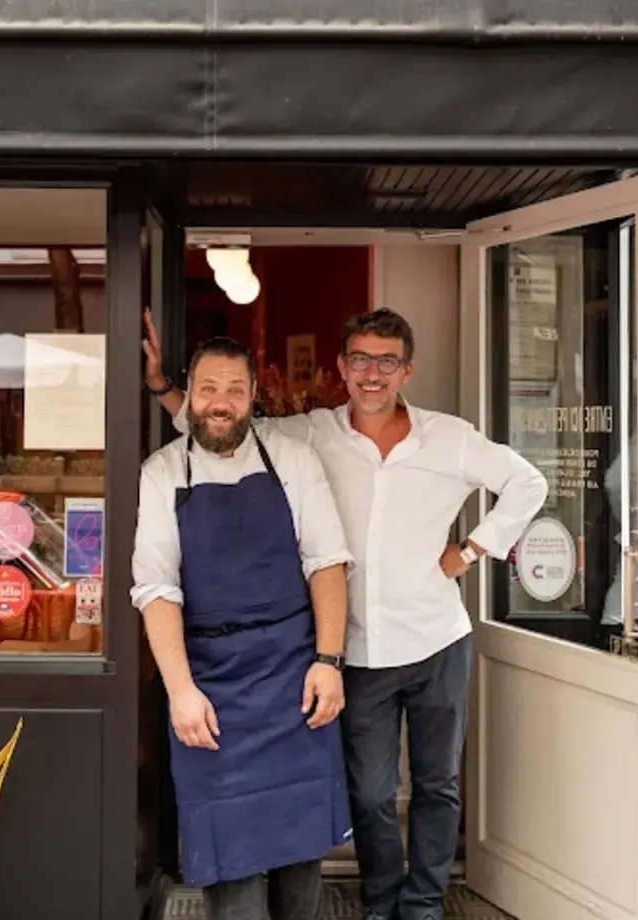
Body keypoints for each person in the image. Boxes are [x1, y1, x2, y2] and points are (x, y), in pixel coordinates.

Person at [142, 307, 549, 920]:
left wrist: (468, 552)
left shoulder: (451, 437)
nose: (372, 373)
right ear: (341, 368)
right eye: (360, 359)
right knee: (374, 792)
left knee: (438, 785)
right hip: (357, 651)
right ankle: (382, 902)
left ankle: (426, 904)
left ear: (406, 369)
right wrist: (161, 389)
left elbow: (528, 484)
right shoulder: (309, 434)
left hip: (435, 637)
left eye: (387, 361)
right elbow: (221, 424)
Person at [131, 335, 355, 920]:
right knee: (229, 862)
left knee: (300, 850)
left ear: (254, 396)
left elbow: (327, 562)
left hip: (293, 677)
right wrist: (180, 690)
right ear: (191, 398)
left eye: (235, 389)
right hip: (210, 686)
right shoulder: (161, 474)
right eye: (208, 389)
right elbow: (156, 590)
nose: (220, 402)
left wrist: (328, 663)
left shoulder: (292, 460)